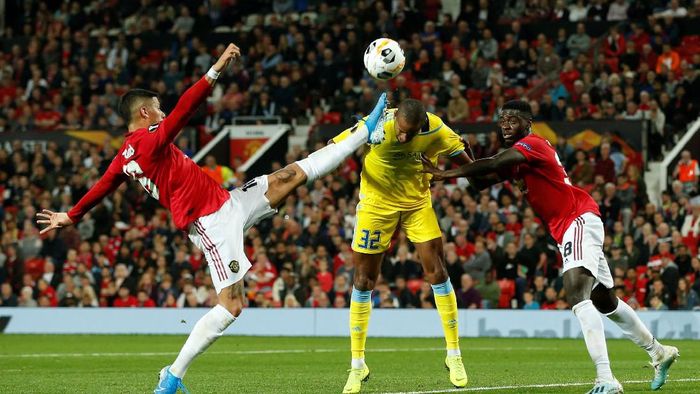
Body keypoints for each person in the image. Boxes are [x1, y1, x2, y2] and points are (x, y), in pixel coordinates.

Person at [35, 43, 389, 394]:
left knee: (289, 176)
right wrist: (216, 68)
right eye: (158, 108)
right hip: (210, 223)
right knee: (233, 305)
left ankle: (364, 129)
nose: (163, 112)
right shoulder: (147, 141)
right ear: (144, 113)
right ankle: (172, 377)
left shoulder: (126, 154)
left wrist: (72, 214)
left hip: (228, 203)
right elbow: (185, 110)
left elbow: (104, 184)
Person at [421, 100, 679, 394]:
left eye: (512, 119)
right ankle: (659, 352)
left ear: (527, 123)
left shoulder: (533, 144)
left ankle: (606, 378)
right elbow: (481, 182)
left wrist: (443, 174)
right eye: (502, 120)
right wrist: (460, 155)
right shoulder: (518, 160)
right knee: (605, 301)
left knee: (577, 294)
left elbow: (492, 163)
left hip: (577, 219)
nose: (505, 124)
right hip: (570, 227)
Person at [332, 98, 471, 393]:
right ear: (396, 121)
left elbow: (468, 165)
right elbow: (335, 147)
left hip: (417, 205)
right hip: (376, 207)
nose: (405, 137)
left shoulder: (436, 130)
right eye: (402, 131)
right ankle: (358, 365)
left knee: (437, 272)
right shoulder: (377, 124)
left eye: (412, 133)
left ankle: (454, 355)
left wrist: (446, 171)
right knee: (363, 280)